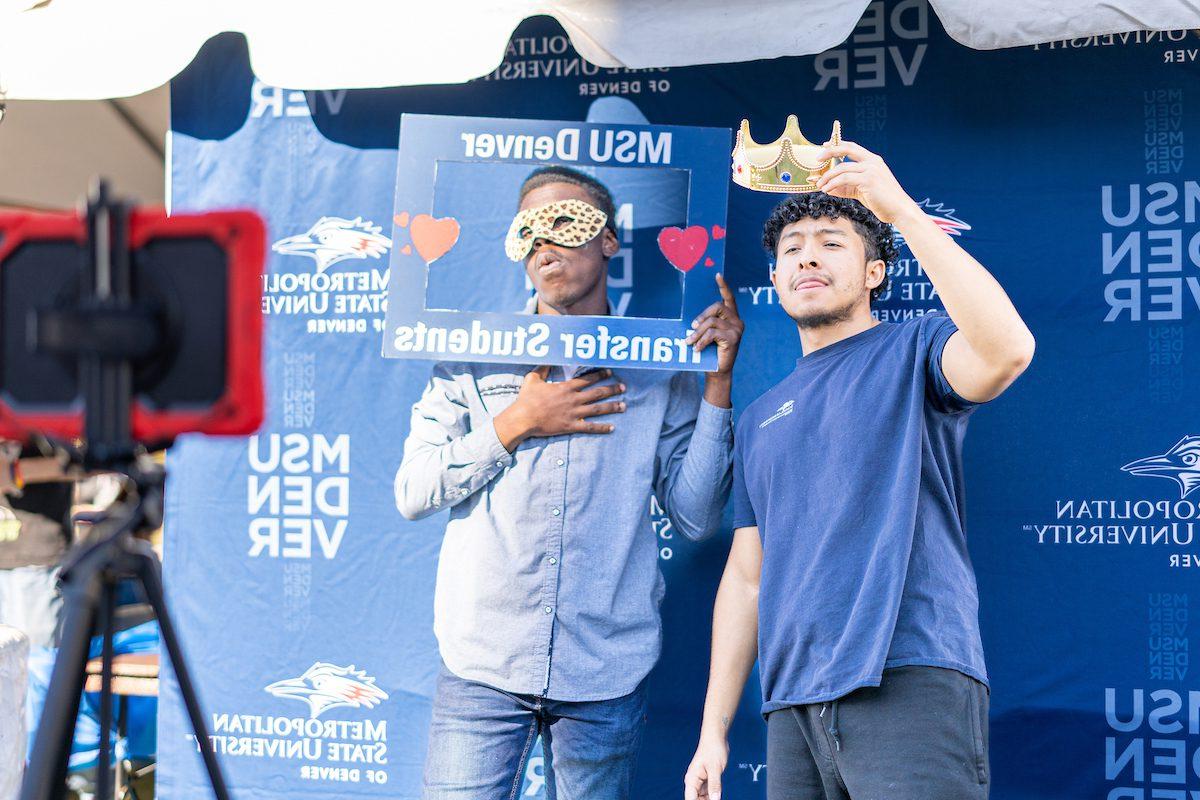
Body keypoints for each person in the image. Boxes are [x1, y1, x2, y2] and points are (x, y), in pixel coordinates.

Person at [684, 141, 1035, 800]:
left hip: (908, 675)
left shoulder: (915, 347)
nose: (807, 256)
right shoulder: (758, 417)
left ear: (876, 273)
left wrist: (897, 210)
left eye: (831, 243)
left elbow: (1007, 350)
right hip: (792, 708)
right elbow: (746, 579)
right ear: (777, 277)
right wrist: (713, 731)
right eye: (791, 248)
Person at [395, 164, 744, 800]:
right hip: (483, 661)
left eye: (565, 223)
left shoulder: (660, 366)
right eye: (529, 232)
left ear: (608, 240)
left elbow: (696, 516)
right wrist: (515, 422)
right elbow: (413, 489)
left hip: (606, 668)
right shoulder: (472, 352)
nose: (544, 244)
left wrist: (716, 385)